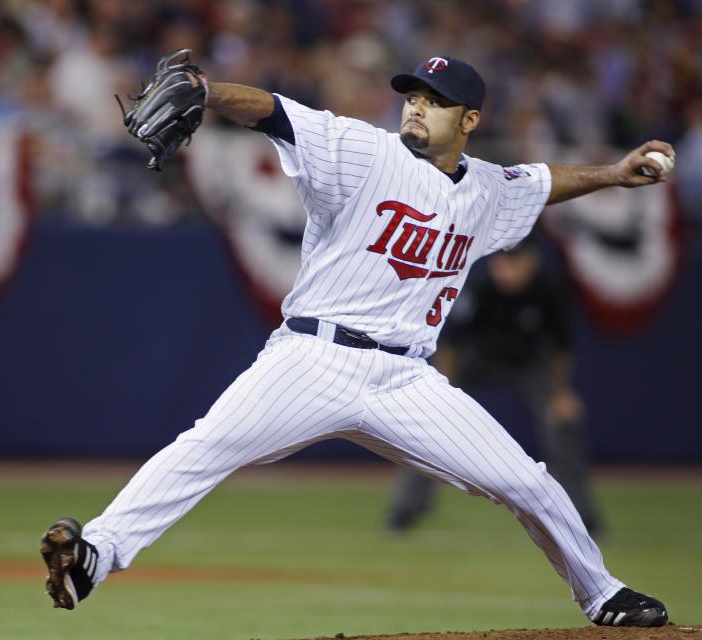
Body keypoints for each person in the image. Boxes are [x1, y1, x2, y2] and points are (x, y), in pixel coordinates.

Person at [40, 55, 673, 627]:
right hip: (314, 358)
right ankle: (97, 555)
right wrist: (206, 90)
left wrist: (614, 174)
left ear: (470, 119)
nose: (417, 105)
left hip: (408, 381)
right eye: (412, 95)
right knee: (205, 447)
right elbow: (274, 112)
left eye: (435, 99)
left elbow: (540, 182)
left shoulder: (487, 188)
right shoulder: (364, 151)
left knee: (529, 484)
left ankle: (601, 593)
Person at [387, 235, 603, 536]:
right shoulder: (479, 285)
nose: (506, 270)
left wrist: (560, 393)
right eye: (501, 262)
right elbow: (448, 343)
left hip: (530, 363)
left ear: (532, 262)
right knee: (431, 421)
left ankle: (583, 516)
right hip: (477, 359)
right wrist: (444, 390)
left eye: (515, 262)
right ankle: (406, 509)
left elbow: (561, 348)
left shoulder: (549, 289)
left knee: (563, 422)